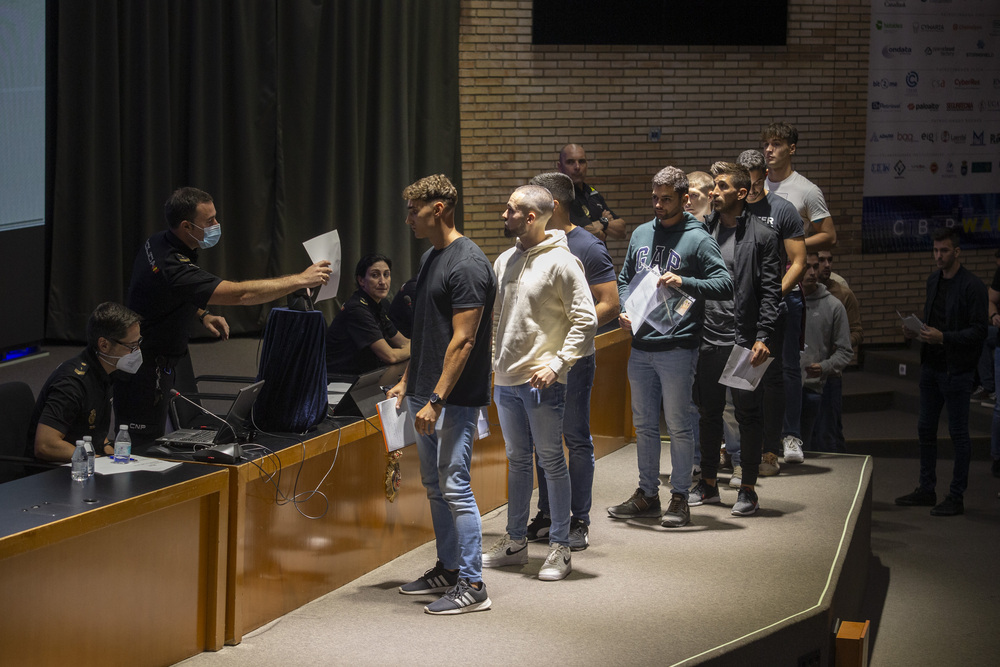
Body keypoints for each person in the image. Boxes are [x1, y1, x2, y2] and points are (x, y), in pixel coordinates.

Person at [118, 187, 332, 443]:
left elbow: (168, 292)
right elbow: (239, 295)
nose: (217, 225)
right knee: (142, 446)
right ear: (186, 226)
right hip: (146, 366)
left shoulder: (158, 241)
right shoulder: (172, 265)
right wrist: (299, 280)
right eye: (209, 221)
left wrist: (203, 314)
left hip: (163, 356)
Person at [389, 174, 496, 614]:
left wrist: (435, 399)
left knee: (455, 485)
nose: (408, 217)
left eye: (415, 209)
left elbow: (464, 341)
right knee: (435, 485)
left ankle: (473, 585)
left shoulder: (467, 262)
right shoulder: (432, 256)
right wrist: (408, 379)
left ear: (439, 209)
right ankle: (449, 568)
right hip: (425, 390)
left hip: (451, 398)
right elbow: (427, 332)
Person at [482, 184, 597, 581]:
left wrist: (558, 363)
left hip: (541, 382)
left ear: (531, 217)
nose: (504, 215)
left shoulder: (563, 263)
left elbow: (587, 319)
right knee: (516, 461)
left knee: (550, 461)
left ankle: (561, 547)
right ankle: (515, 541)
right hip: (506, 380)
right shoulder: (504, 260)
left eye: (510, 209)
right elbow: (497, 320)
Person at [609, 166, 732, 528]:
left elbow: (725, 284)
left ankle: (680, 496)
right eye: (655, 198)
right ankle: (648, 493)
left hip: (677, 347)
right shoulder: (642, 233)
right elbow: (623, 279)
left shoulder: (697, 238)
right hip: (641, 345)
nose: (658, 205)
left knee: (678, 425)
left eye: (666, 199)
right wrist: (626, 308)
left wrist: (686, 280)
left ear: (683, 198)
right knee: (644, 425)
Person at [523, 172, 619, 551]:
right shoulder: (534, 245)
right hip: (538, 360)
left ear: (553, 205)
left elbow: (610, 304)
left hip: (575, 358)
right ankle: (549, 513)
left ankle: (578, 519)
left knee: (575, 438)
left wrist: (568, 332)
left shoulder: (588, 245)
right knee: (541, 440)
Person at [687, 162, 781, 517]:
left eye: (722, 187)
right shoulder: (701, 231)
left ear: (741, 193)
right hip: (708, 336)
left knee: (747, 414)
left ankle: (747, 489)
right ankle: (709, 484)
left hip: (743, 338)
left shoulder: (763, 236)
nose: (714, 192)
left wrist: (764, 336)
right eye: (714, 187)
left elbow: (772, 292)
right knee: (708, 413)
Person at [895, 227, 987, 517]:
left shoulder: (973, 286)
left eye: (944, 250)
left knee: (959, 434)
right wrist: (915, 330)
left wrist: (944, 338)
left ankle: (956, 496)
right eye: (935, 250)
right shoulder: (933, 280)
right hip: (931, 367)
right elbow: (932, 321)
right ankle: (926, 489)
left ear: (957, 252)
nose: (938, 256)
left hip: (957, 371)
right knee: (925, 429)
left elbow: (979, 332)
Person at [761, 123, 836, 467]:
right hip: (756, 287)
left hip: (787, 285)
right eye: (766, 144)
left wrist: (794, 244)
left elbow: (829, 235)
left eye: (777, 144)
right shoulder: (754, 186)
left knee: (790, 366)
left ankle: (792, 435)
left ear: (792, 148)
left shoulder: (806, 190)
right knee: (756, 363)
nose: (769, 150)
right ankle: (760, 436)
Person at [737, 148, 807, 475]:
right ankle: (735, 447)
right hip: (735, 310)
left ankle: (769, 450)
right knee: (737, 377)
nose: (748, 191)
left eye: (753, 185)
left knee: (772, 378)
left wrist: (769, 294)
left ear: (764, 176)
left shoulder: (783, 210)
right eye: (743, 185)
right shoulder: (732, 210)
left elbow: (799, 263)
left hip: (772, 308)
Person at [26, 303, 141, 461]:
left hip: (89, 462)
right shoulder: (71, 383)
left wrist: (112, 453)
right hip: (58, 473)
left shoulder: (108, 371)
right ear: (104, 345)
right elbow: (46, 445)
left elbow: (94, 434)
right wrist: (98, 461)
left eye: (138, 343)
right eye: (132, 346)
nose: (137, 352)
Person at [798, 253, 853, 451]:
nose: (813, 272)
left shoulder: (833, 305)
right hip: (785, 388)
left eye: (815, 266)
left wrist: (824, 367)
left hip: (813, 387)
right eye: (807, 267)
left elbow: (846, 351)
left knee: (819, 443)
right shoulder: (782, 300)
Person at [325, 253, 409, 375]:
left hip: (365, 378)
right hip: (342, 381)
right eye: (375, 275)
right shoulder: (357, 309)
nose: (382, 281)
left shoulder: (379, 304)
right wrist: (413, 350)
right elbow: (390, 356)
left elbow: (404, 342)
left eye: (386, 275)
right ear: (361, 280)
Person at [815, 250, 863, 452]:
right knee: (810, 431)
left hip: (831, 374)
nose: (827, 265)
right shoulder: (798, 291)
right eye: (821, 261)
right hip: (804, 372)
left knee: (830, 431)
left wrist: (841, 342)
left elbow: (857, 332)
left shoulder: (843, 294)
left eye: (830, 260)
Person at [557, 143, 626, 242]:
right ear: (560, 167)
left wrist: (602, 223)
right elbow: (593, 236)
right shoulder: (562, 198)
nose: (577, 167)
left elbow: (622, 230)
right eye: (570, 162)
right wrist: (605, 223)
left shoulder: (592, 193)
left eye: (581, 162)